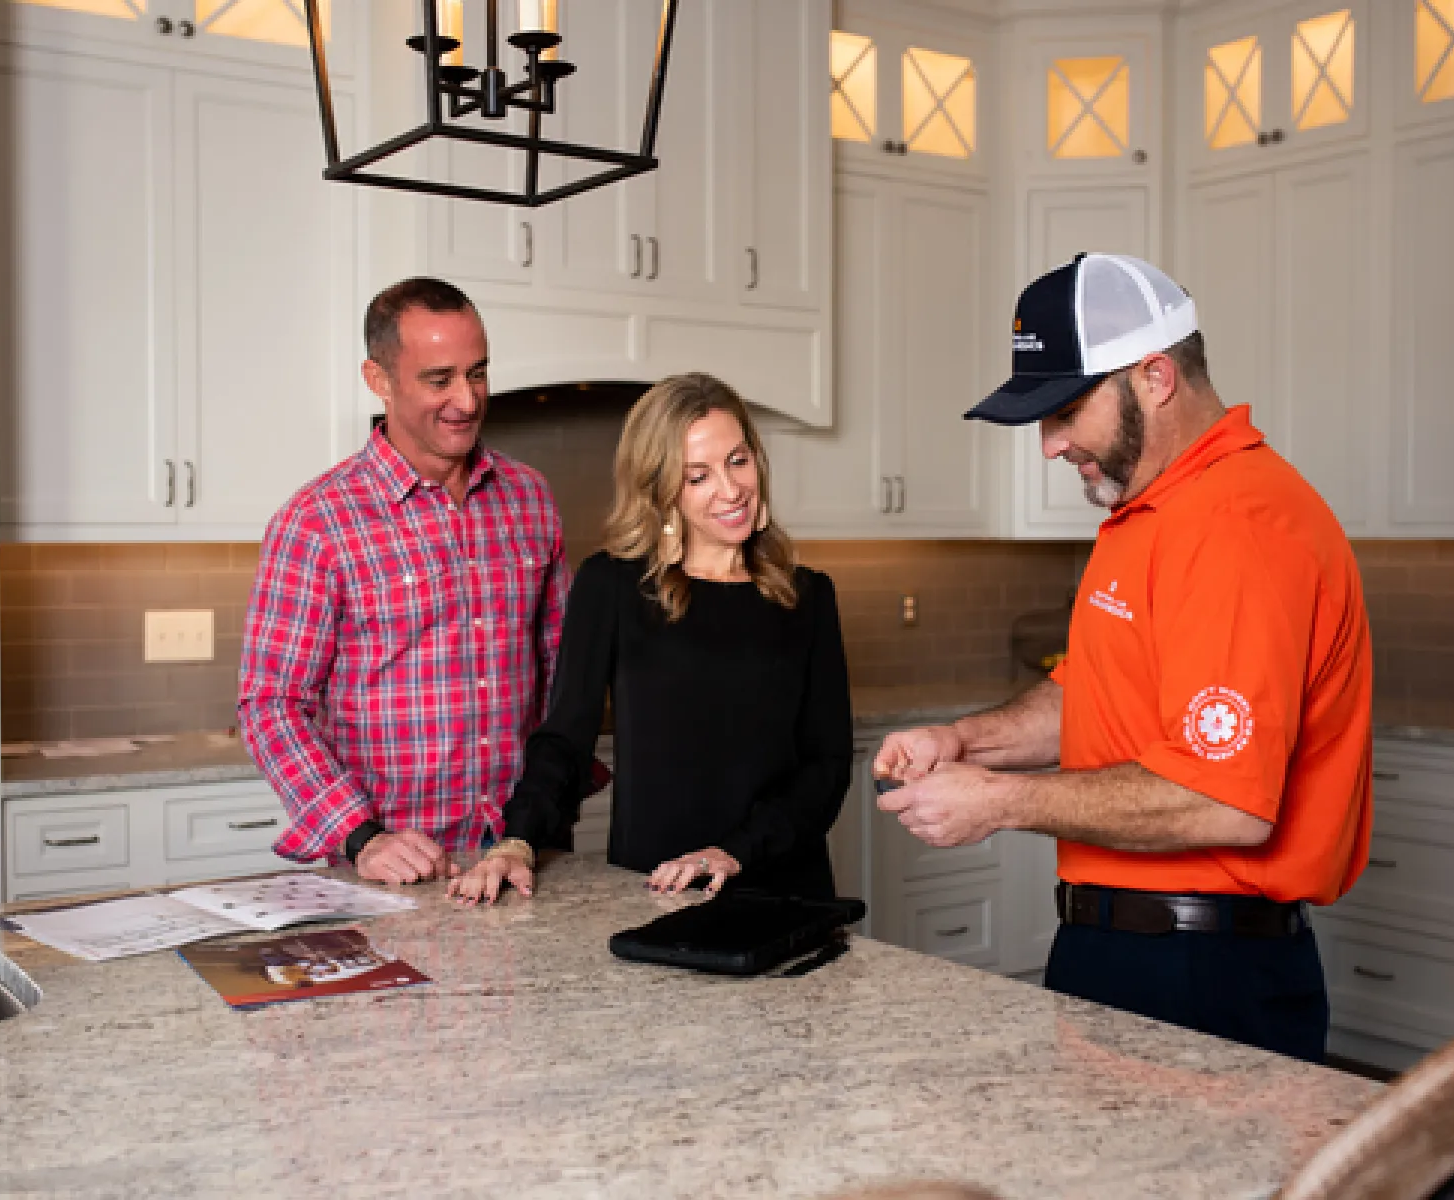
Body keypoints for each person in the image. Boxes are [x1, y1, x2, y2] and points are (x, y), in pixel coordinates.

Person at [873, 253, 1374, 1063]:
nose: (1050, 443)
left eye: (1066, 410)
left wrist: (998, 801)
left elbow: (1224, 804)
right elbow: (1094, 694)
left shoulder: (1237, 526)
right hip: (1125, 953)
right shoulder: (1150, 509)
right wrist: (965, 742)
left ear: (1155, 376)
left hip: (1205, 974)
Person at [449, 373, 854, 905]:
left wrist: (734, 851)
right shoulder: (612, 586)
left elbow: (826, 768)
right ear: (661, 489)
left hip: (782, 890)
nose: (730, 491)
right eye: (698, 477)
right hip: (658, 889)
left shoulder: (808, 597)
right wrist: (518, 841)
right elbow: (565, 739)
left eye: (738, 460)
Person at [238, 277, 569, 886]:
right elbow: (271, 705)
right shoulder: (316, 522)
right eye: (439, 379)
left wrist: (539, 819)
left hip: (521, 860)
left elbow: (560, 676)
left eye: (478, 372)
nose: (467, 400)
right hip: (392, 873)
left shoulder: (531, 499)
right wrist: (363, 837)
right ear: (379, 378)